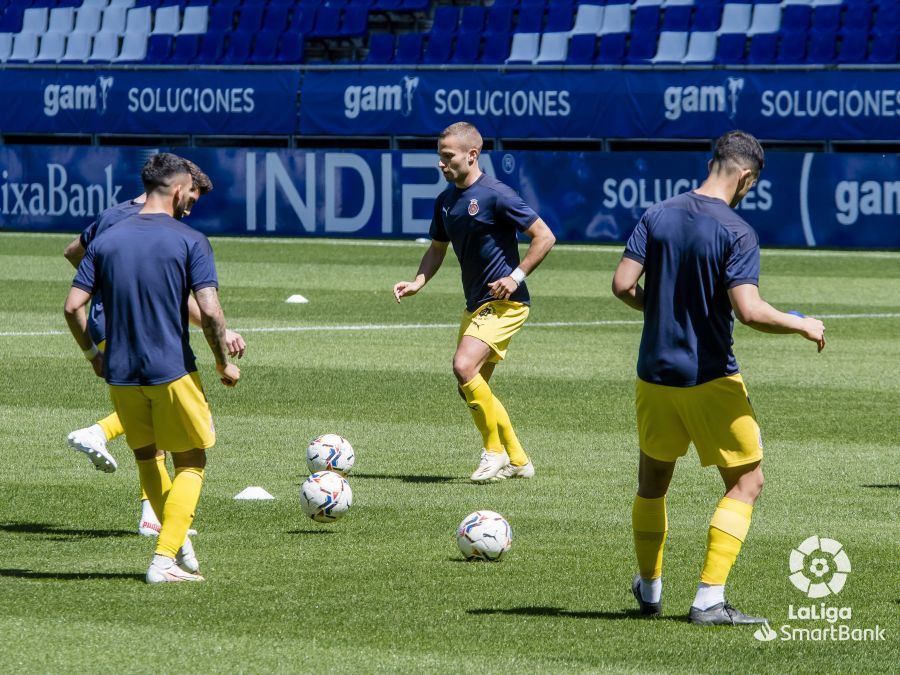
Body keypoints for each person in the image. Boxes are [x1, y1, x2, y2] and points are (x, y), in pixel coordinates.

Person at [611, 131, 826, 625]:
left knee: (652, 484)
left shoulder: (657, 214)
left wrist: (661, 308)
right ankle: (709, 599)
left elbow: (623, 284)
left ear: (712, 162)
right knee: (748, 481)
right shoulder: (737, 230)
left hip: (653, 373)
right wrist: (801, 322)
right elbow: (748, 311)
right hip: (709, 376)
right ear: (746, 176)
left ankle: (649, 588)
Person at [64, 152, 241, 583]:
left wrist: (94, 356)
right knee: (192, 460)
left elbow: (72, 307)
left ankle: (177, 544)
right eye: (190, 196)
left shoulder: (107, 238)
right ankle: (163, 559)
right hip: (171, 369)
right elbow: (212, 313)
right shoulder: (189, 239)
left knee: (148, 458)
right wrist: (222, 362)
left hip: (119, 372)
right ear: (179, 189)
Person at [393, 122, 556, 482]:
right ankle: (518, 459)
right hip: (477, 305)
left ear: (472, 155)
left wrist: (515, 277)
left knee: (463, 367)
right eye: (440, 157)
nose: (442, 164)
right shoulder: (446, 201)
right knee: (470, 383)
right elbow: (437, 249)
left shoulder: (497, 194)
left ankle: (493, 452)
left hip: (507, 303)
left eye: (448, 157)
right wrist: (419, 281)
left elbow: (545, 236)